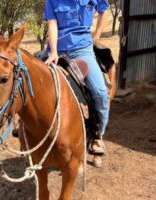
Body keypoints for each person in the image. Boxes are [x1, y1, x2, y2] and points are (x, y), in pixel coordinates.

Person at [44, 0, 110, 167]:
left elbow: (104, 10)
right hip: (58, 49)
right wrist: (53, 52)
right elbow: (52, 23)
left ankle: (97, 136)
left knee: (100, 94)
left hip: (82, 50)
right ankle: (24, 128)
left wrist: (97, 35)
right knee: (28, 81)